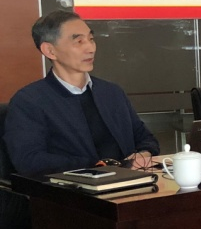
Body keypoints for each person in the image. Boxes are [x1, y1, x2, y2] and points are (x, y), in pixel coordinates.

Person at [5, 10, 160, 175]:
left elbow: (146, 139)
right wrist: (96, 166)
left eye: (91, 39)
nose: (90, 48)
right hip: (71, 188)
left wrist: (143, 155)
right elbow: (29, 160)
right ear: (50, 51)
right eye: (79, 41)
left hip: (130, 183)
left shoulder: (111, 92)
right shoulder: (29, 101)